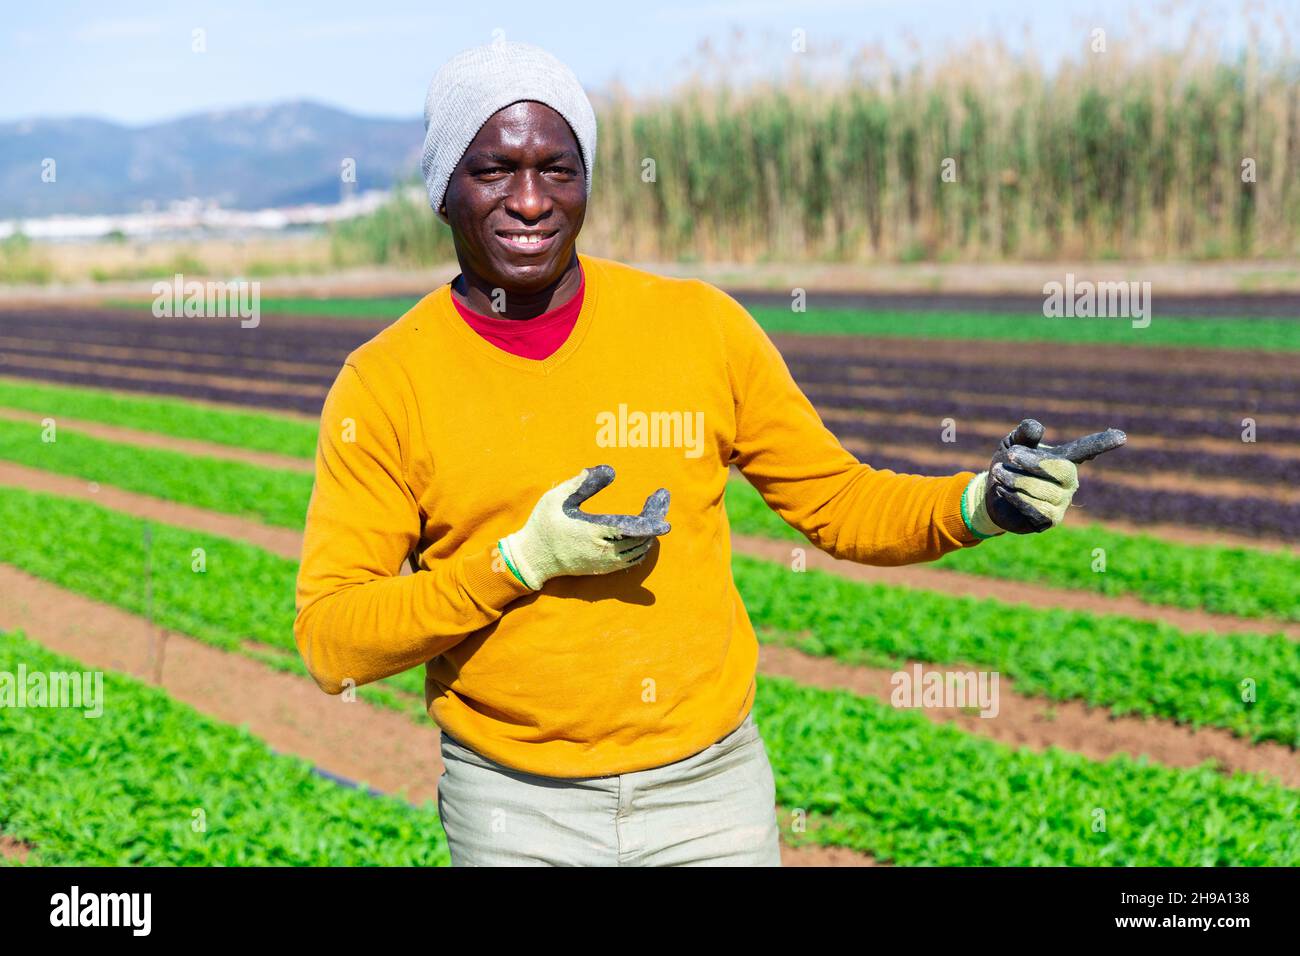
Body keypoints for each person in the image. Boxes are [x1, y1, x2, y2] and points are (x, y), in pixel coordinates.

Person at [293, 40, 1124, 867]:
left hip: (708, 797)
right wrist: (519, 562)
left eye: (558, 169)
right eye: (494, 170)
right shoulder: (386, 384)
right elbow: (334, 642)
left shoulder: (697, 328)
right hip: (515, 806)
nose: (531, 200)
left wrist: (981, 503)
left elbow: (838, 504)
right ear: (443, 190)